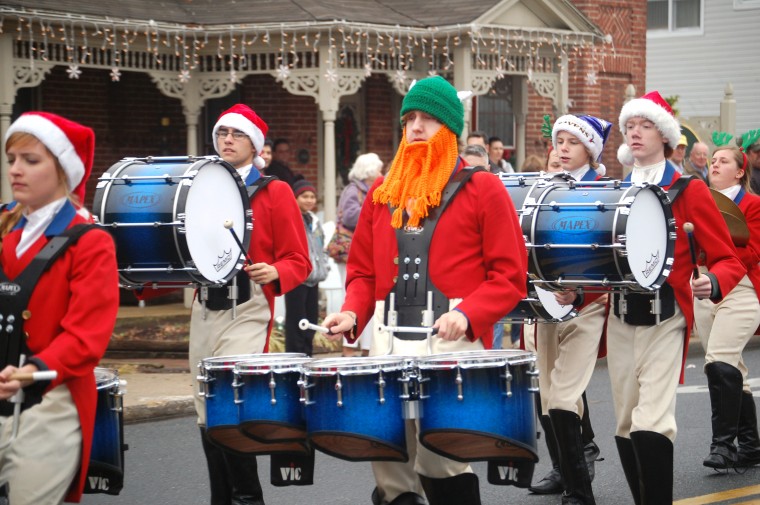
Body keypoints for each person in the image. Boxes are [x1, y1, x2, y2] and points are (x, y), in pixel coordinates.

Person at [322, 75, 527, 505]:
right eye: (410, 118)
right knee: (390, 460)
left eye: (429, 119)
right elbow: (361, 273)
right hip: (387, 337)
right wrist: (353, 314)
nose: (415, 127)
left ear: (450, 129)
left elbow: (509, 277)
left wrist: (468, 314)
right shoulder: (382, 193)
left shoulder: (482, 188)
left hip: (451, 339)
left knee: (442, 458)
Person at [611, 91, 745, 504]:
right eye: (630, 125)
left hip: (666, 316)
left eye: (645, 125)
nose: (634, 132)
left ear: (665, 136)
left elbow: (727, 257)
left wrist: (713, 282)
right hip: (617, 317)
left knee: (651, 421)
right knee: (624, 423)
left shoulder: (689, 190)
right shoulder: (612, 189)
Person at [193, 104, 311, 505]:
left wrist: (275, 271)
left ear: (255, 144)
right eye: (222, 132)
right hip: (203, 306)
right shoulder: (200, 187)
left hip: (248, 305)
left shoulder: (274, 190)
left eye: (236, 134)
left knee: (228, 402)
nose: (226, 138)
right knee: (205, 413)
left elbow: (300, 260)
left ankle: (248, 499)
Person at [0, 112, 119, 504]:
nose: (16, 170)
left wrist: (31, 371)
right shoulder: (5, 230)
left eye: (30, 161)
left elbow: (86, 339)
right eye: (12, 160)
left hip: (51, 401)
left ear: (63, 170)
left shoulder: (90, 242)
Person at [527, 115, 611, 505]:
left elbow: (613, 257)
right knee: (547, 396)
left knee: (562, 397)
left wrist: (581, 293)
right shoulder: (544, 189)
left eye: (571, 142)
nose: (561, 148)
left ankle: (580, 491)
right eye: (558, 141)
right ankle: (566, 467)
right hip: (546, 307)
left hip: (588, 307)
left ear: (590, 150)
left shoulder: (605, 191)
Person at [693, 132, 760, 470]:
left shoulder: (754, 204)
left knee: (718, 361)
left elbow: (751, 251)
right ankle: (751, 446)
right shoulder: (701, 202)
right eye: (712, 160)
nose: (714, 164)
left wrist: (718, 253)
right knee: (733, 367)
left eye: (723, 161)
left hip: (741, 289)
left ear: (739, 172)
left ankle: (723, 446)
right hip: (704, 288)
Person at [334, 152, 384, 357]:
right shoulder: (354, 190)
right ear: (370, 171)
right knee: (354, 291)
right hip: (350, 250)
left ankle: (365, 347)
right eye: (378, 169)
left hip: (359, 248)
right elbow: (350, 215)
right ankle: (350, 348)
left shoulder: (363, 189)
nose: (381, 173)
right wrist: (376, 209)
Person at [284, 179, 329, 356]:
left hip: (313, 277)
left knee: (311, 320)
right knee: (296, 320)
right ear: (295, 198)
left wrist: (323, 265)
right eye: (304, 196)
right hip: (297, 278)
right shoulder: (292, 218)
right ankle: (294, 357)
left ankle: (307, 355)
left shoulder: (314, 221)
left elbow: (321, 245)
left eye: (312, 197)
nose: (309, 200)